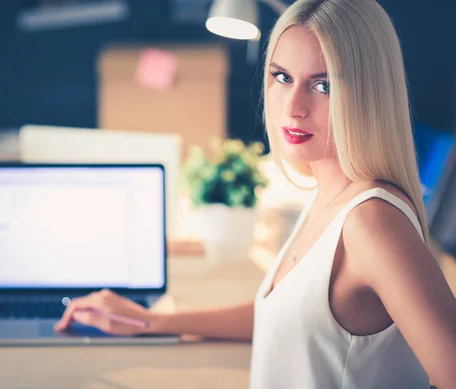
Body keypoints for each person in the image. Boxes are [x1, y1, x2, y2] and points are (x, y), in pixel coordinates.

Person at [55, 0, 456, 387]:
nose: (293, 107)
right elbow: (293, 317)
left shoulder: (372, 223)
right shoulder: (328, 190)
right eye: (283, 77)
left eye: (323, 85)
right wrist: (153, 322)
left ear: (369, 93)